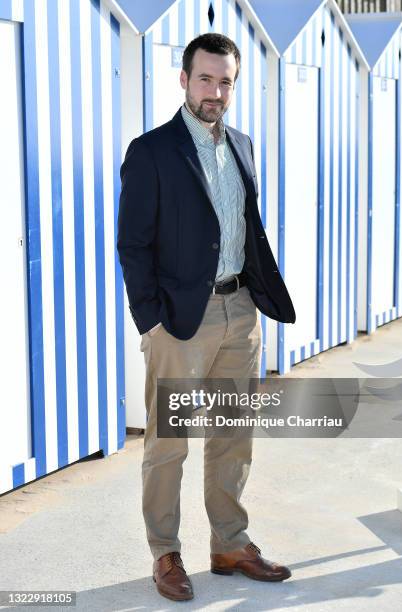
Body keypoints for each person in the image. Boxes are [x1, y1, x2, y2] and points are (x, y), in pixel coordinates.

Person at [117, 33, 295, 602]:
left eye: (225, 82)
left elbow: (246, 225)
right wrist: (150, 320)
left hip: (240, 310)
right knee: (168, 440)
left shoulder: (241, 144)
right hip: (177, 320)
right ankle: (165, 553)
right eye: (205, 79)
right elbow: (133, 245)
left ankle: (229, 542)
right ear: (184, 79)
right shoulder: (152, 151)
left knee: (233, 435)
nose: (215, 91)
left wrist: (254, 297)